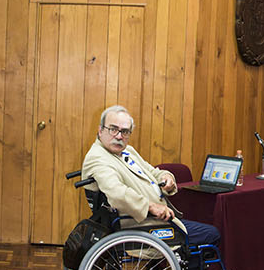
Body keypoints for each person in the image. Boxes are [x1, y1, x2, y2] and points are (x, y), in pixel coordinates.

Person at [83, 105, 221, 251]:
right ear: (100, 130)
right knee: (211, 234)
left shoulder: (127, 151)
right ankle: (184, 266)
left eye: (125, 131)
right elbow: (117, 193)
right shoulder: (97, 158)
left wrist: (166, 176)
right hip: (140, 225)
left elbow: (152, 171)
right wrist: (151, 206)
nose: (119, 136)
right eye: (113, 129)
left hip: (155, 220)